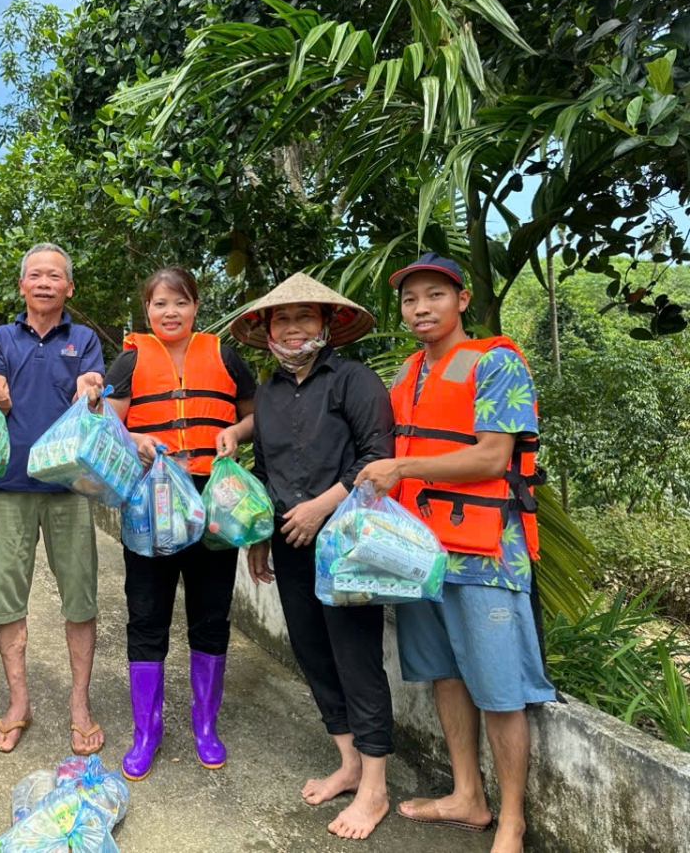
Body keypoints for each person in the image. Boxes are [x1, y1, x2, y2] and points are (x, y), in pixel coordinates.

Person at [355, 253, 554, 853]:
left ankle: (512, 820)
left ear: (462, 300)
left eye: (434, 295)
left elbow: (493, 457)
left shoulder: (496, 364)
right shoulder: (406, 374)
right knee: (442, 672)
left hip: (485, 550)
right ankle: (469, 795)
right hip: (418, 551)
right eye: (410, 298)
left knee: (499, 688)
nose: (420, 308)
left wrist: (403, 466)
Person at [232, 273, 396, 840]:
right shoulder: (269, 392)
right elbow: (266, 469)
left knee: (356, 656)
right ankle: (348, 761)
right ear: (267, 330)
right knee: (311, 649)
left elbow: (378, 461)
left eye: (305, 317)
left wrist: (321, 507)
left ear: (326, 325)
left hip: (348, 541)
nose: (294, 327)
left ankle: (375, 787)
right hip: (290, 543)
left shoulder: (355, 380)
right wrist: (259, 535)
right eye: (283, 319)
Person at [103, 266, 256, 780]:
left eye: (181, 302)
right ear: (146, 309)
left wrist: (235, 429)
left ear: (196, 307)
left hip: (212, 508)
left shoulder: (223, 353)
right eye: (160, 303)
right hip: (151, 508)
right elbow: (107, 420)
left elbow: (256, 413)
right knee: (146, 617)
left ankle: (204, 726)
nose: (170, 312)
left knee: (211, 617)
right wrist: (134, 439)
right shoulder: (130, 359)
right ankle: (146, 731)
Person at [0, 242, 106, 755]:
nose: (46, 282)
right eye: (36, 275)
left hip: (70, 486)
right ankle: (19, 702)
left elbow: (93, 392)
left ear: (69, 287)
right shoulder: (0, 338)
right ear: (22, 285)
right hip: (10, 485)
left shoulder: (85, 339)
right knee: (8, 599)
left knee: (81, 596)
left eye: (56, 276)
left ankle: (79, 703)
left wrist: (93, 386)